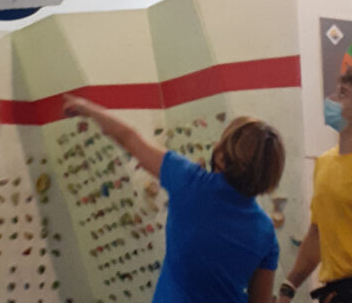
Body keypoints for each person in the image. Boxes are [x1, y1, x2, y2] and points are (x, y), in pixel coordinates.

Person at [62, 94, 285, 303]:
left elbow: (129, 138)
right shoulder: (265, 234)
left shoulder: (189, 182)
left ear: (222, 156)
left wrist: (87, 108)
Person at [277, 69, 352, 303]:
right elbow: (318, 233)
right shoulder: (324, 162)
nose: (331, 99)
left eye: (343, 94)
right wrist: (289, 286)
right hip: (333, 293)